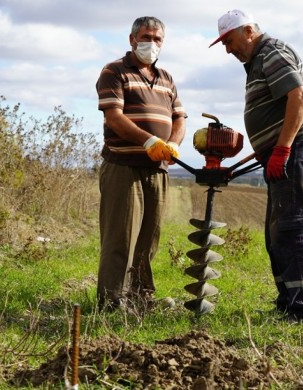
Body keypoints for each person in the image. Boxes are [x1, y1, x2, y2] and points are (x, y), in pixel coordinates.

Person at [210, 10, 303, 322]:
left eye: (229, 41)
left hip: (296, 151)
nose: (228, 49)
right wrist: (258, 154)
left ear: (248, 31)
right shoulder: (257, 61)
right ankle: (288, 302)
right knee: (276, 233)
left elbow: (297, 96)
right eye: (223, 44)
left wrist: (283, 148)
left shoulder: (271, 53)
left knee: (292, 228)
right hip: (283, 153)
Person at [96, 16, 186, 312]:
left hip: (158, 168)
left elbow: (179, 117)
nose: (152, 43)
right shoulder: (115, 71)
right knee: (120, 236)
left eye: (158, 38)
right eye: (146, 37)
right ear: (132, 39)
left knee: (149, 239)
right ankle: (112, 302)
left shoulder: (167, 78)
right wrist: (148, 141)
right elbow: (114, 117)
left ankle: (140, 298)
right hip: (124, 166)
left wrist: (172, 143)